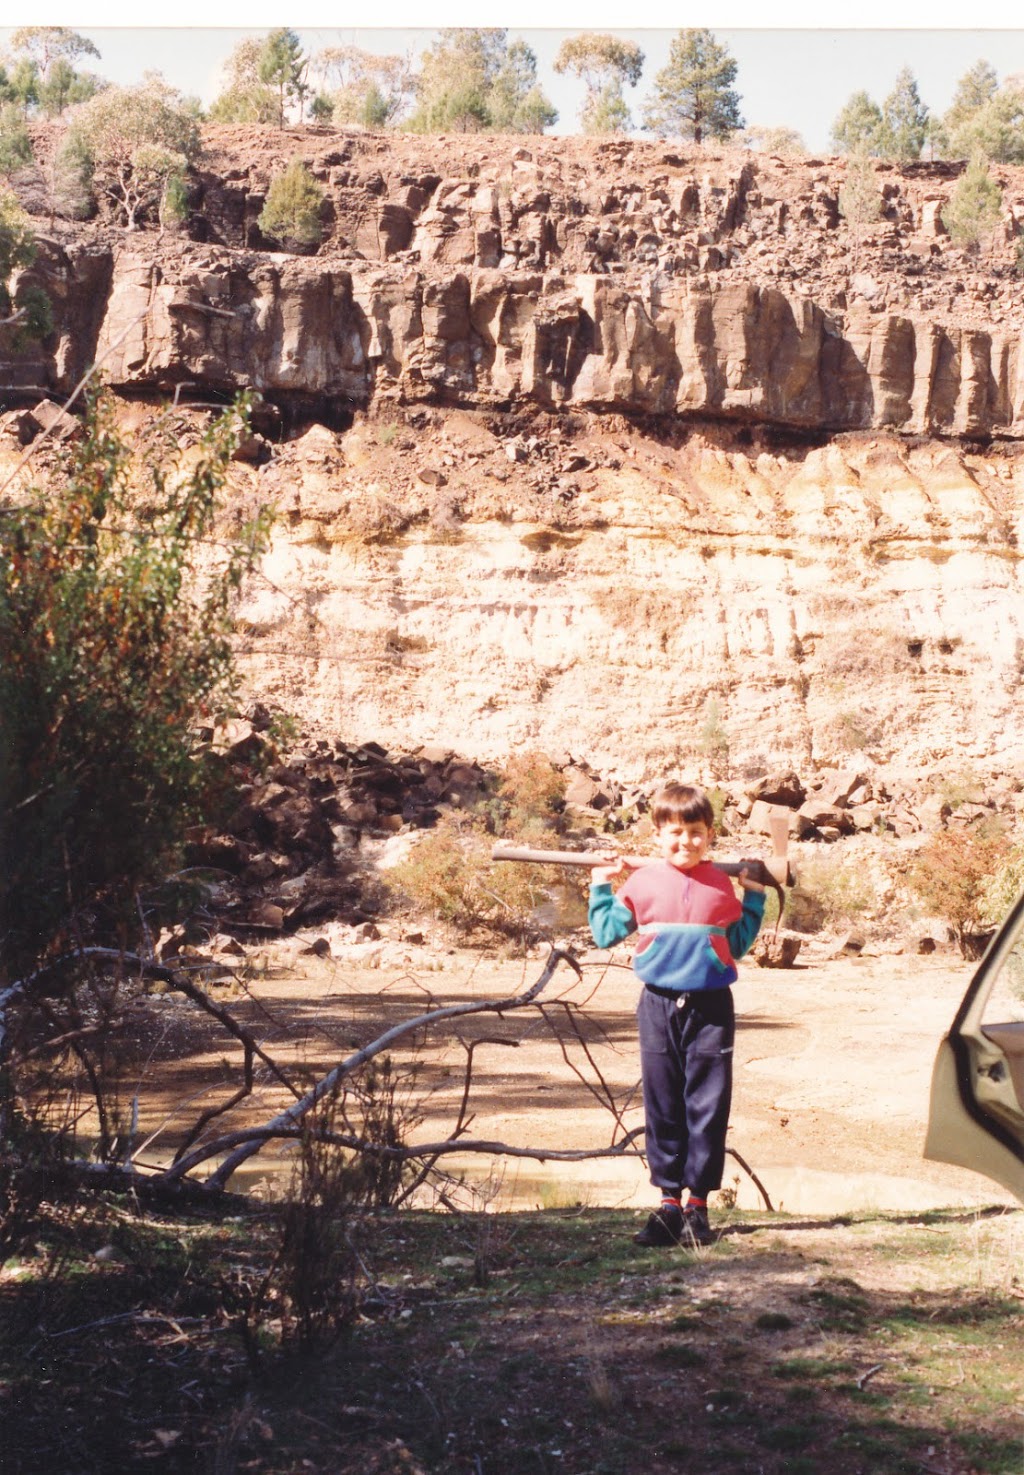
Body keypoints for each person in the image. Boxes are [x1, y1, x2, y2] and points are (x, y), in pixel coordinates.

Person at [589, 782, 766, 1248]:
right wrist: (599, 886)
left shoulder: (721, 884)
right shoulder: (642, 882)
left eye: (695, 832)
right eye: (674, 832)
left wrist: (754, 899)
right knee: (663, 1103)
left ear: (710, 834)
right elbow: (606, 933)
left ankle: (697, 1208)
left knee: (707, 1106)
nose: (684, 842)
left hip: (711, 1006)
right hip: (658, 1004)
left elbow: (740, 944)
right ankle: (668, 1204)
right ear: (658, 834)